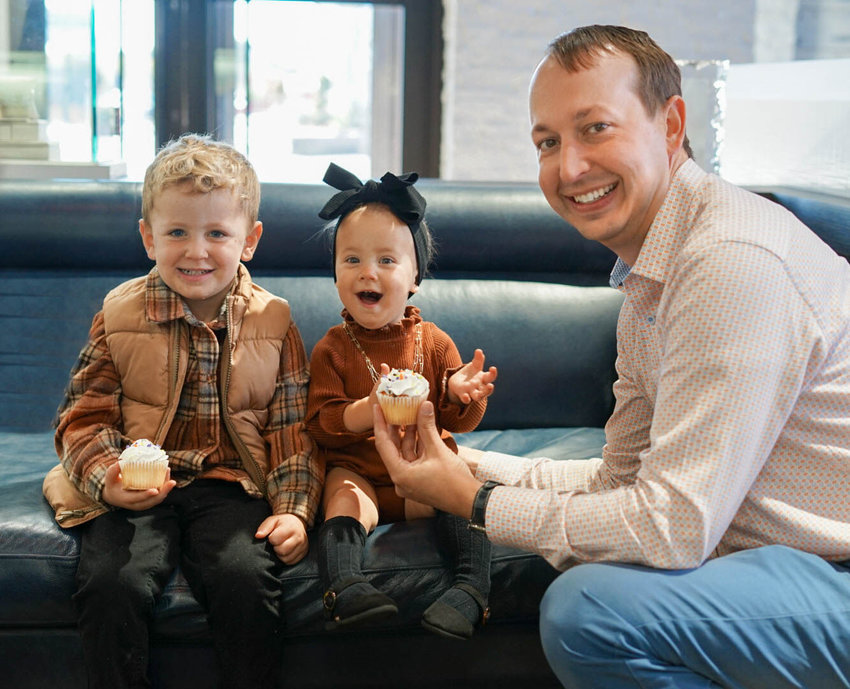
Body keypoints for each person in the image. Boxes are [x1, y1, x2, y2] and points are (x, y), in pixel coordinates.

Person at [374, 24, 850, 689]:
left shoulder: (731, 264)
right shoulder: (649, 276)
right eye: (547, 142)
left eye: (595, 128)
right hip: (776, 557)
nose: (568, 168)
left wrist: (473, 499)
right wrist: (466, 462)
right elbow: (619, 481)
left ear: (671, 123)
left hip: (833, 573)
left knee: (590, 609)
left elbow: (671, 526)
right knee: (586, 559)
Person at [44, 133, 322, 689]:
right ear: (149, 237)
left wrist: (294, 510)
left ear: (250, 240)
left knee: (245, 580)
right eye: (177, 232)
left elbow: (293, 429)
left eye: (217, 233)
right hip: (137, 482)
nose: (196, 251)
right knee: (111, 583)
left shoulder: (274, 322)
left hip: (232, 484)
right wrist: (107, 478)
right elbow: (84, 416)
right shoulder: (119, 313)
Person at [305, 162, 498, 640]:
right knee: (341, 497)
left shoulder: (432, 343)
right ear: (334, 274)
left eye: (387, 261)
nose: (367, 272)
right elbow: (320, 422)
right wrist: (364, 408)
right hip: (362, 473)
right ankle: (345, 587)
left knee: (463, 486)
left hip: (423, 467)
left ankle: (471, 590)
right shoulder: (332, 347)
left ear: (415, 276)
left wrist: (459, 392)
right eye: (351, 260)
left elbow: (463, 420)